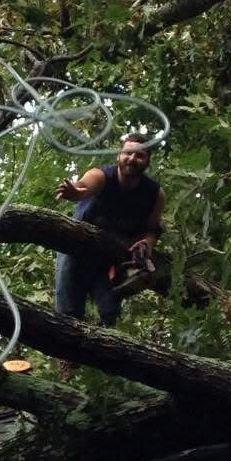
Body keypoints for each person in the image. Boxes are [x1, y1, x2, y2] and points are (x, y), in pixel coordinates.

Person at [54, 133, 165, 327]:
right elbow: (84, 186)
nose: (132, 159)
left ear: (147, 161)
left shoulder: (154, 194)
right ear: (118, 156)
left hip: (110, 259)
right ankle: (67, 354)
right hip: (76, 251)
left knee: (109, 314)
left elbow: (152, 229)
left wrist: (147, 242)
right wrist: (76, 192)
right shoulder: (102, 176)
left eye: (139, 156)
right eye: (127, 153)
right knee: (68, 314)